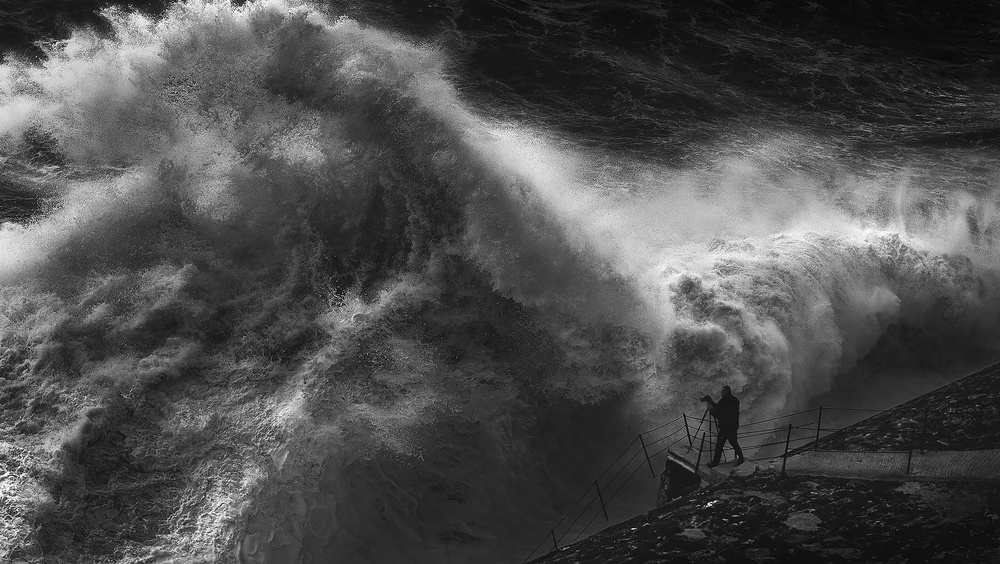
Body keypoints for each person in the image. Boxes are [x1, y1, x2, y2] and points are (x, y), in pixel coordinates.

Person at [700, 385, 744, 468]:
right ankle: (741, 458)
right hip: (733, 427)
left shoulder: (723, 401)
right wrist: (712, 403)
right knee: (733, 442)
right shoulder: (735, 401)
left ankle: (715, 463)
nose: (721, 393)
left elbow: (718, 414)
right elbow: (721, 408)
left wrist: (711, 410)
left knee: (719, 446)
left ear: (725, 392)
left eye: (722, 391)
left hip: (725, 428)